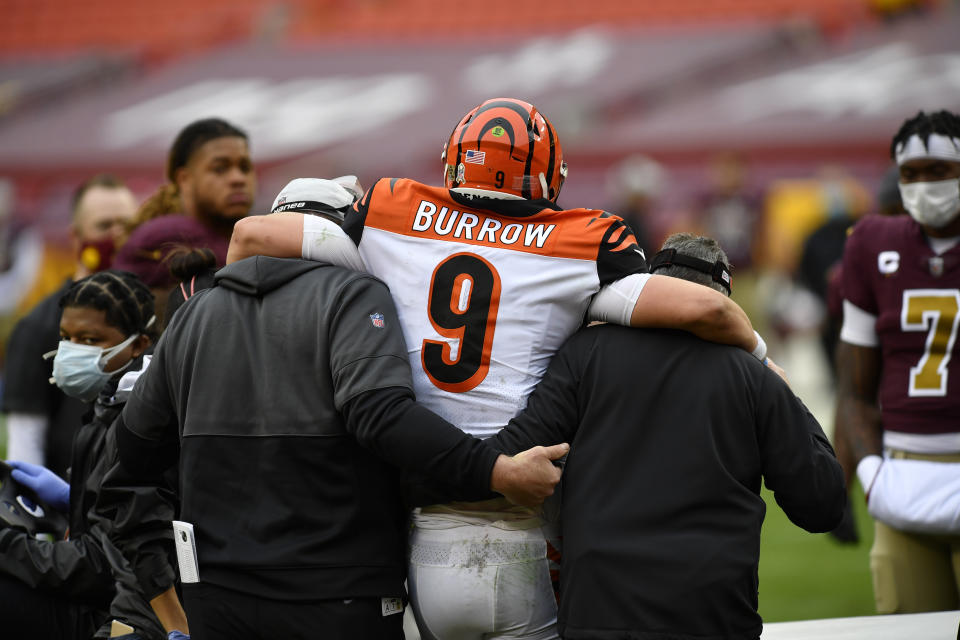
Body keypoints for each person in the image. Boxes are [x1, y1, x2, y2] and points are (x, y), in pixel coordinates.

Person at [228, 98, 766, 640]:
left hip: (418, 528)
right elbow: (710, 309)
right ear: (547, 176)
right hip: (524, 525)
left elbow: (251, 237)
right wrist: (765, 364)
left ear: (456, 160)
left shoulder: (390, 210)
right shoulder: (585, 241)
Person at [97, 200, 568, 639]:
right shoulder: (354, 293)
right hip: (338, 593)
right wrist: (497, 472)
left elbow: (129, 459)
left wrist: (175, 584)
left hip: (217, 596)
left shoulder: (196, 312)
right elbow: (382, 417)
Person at [486, 232, 846, 639]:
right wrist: (787, 396)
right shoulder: (754, 377)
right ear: (725, 301)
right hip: (712, 616)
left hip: (598, 613)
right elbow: (822, 504)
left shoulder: (585, 352)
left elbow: (514, 452)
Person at [0, 269, 185, 640]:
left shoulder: (139, 423)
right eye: (67, 338)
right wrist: (72, 505)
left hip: (131, 613)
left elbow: (102, 568)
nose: (72, 351)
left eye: (90, 339)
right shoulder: (106, 406)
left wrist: (7, 544)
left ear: (138, 344)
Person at [834, 109, 960, 613]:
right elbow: (855, 386)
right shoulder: (871, 243)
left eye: (938, 171)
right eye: (911, 174)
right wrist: (869, 469)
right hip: (906, 464)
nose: (924, 185)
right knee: (908, 624)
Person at [2, 175, 138, 476]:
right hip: (68, 504)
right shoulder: (39, 325)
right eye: (104, 226)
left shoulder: (149, 315)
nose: (118, 236)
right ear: (76, 237)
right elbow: (26, 443)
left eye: (128, 226)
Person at [130, 117, 255, 265]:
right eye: (220, 168)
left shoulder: (256, 240)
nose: (238, 179)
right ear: (184, 180)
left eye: (245, 167)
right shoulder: (163, 242)